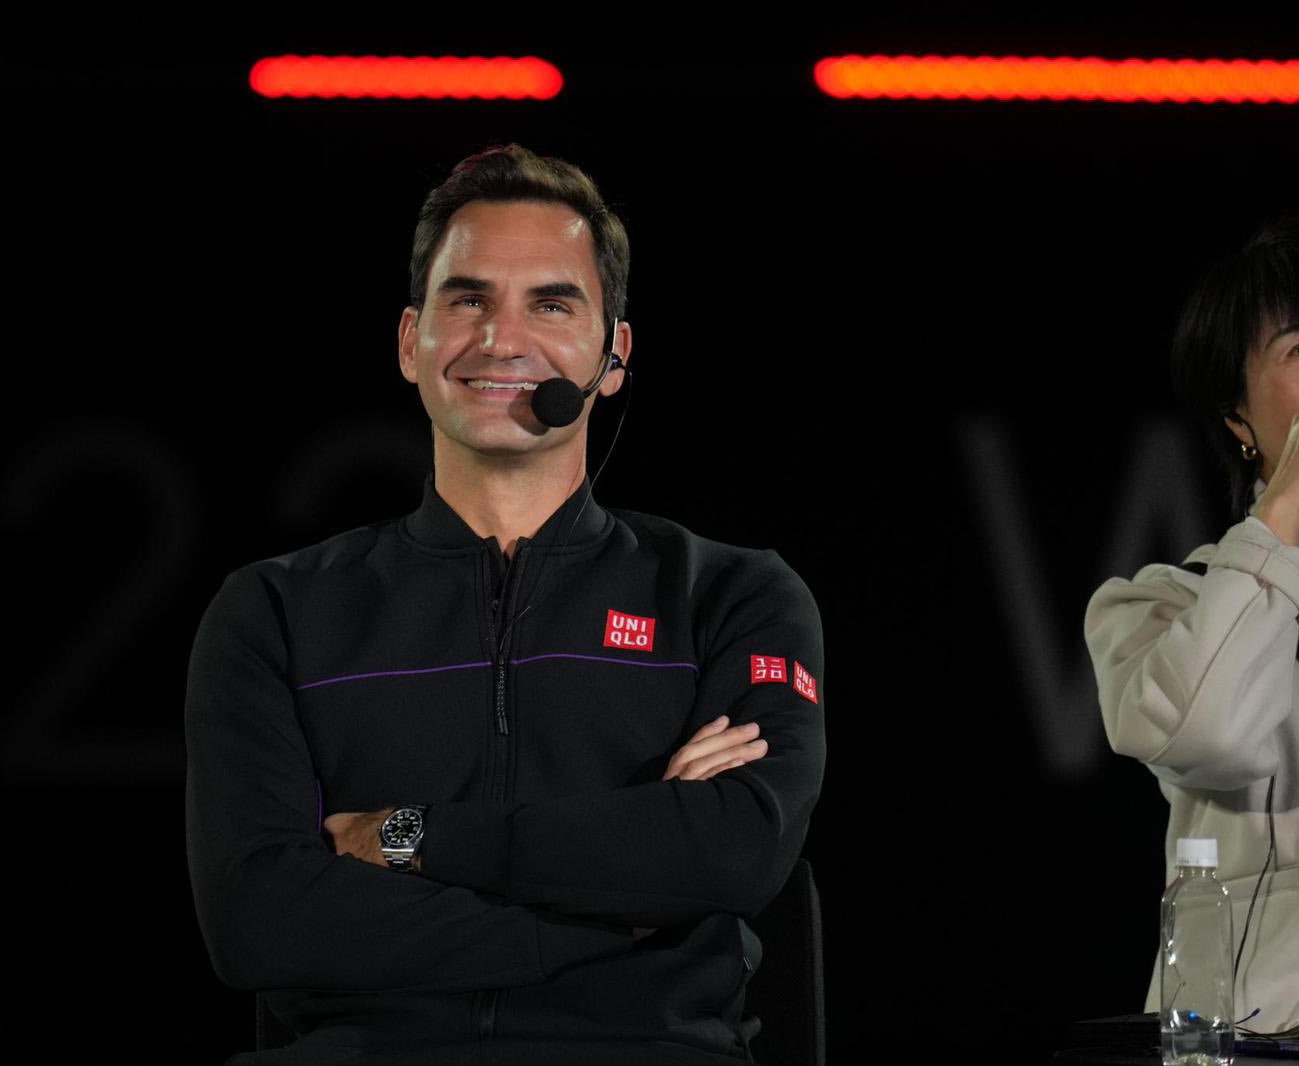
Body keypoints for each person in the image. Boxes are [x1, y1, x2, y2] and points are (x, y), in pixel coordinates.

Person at [185, 145, 826, 1065]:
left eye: (552, 304)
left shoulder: (733, 594)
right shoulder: (276, 610)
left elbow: (732, 855)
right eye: (468, 298)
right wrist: (619, 915)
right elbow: (259, 922)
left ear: (613, 358)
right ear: (412, 343)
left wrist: (408, 839)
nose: (501, 339)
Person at [1085, 213, 1299, 1036]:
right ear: (1237, 420)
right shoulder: (1161, 604)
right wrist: (1288, 508)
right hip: (1263, 1035)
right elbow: (1213, 734)